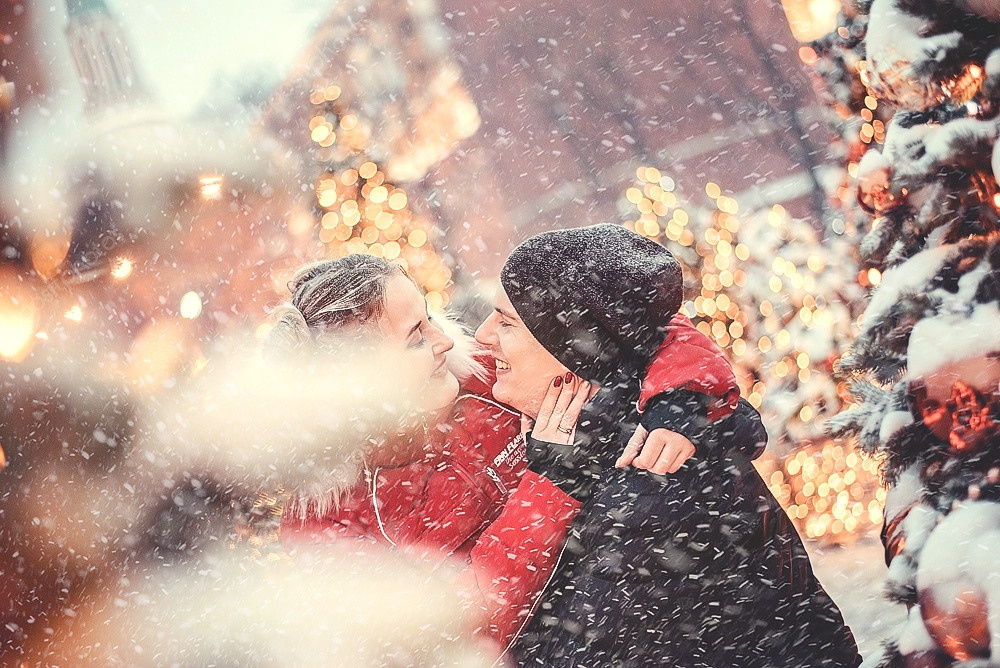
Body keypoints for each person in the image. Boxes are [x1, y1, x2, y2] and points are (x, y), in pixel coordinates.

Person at [269, 254, 729, 645]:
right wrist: (549, 488)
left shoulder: (489, 375)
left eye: (430, 318)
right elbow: (452, 632)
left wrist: (676, 401)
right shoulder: (327, 524)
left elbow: (643, 326)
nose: (444, 340)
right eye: (415, 337)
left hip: (654, 612)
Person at [475, 223, 862, 667]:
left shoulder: (650, 485)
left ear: (572, 353)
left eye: (506, 321)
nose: (483, 335)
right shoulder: (612, 445)